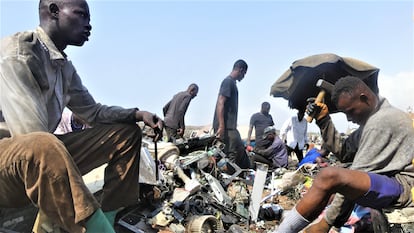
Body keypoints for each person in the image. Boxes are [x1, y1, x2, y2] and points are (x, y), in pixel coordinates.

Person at [0, 0, 163, 232]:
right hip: (9, 165)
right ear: (54, 11)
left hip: (42, 154)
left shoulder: (64, 67)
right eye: (81, 15)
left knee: (125, 135)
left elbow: (94, 113)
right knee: (43, 145)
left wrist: (137, 114)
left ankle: (108, 219)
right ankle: (95, 229)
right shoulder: (19, 53)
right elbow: (30, 138)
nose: (89, 25)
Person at [275, 76, 414, 233]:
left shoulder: (380, 123)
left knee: (330, 177)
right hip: (392, 182)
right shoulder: (373, 120)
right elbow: (345, 153)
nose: (348, 118)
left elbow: (357, 173)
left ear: (364, 98)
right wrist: (324, 121)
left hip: (405, 187)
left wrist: (327, 222)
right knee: (335, 175)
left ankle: (284, 231)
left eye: (350, 111)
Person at [213, 59, 250, 169]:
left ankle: (245, 174)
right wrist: (221, 126)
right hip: (226, 127)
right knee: (231, 154)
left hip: (231, 128)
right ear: (240, 69)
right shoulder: (228, 82)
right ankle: (229, 180)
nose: (244, 76)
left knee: (240, 151)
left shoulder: (232, 83)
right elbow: (221, 102)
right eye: (244, 74)